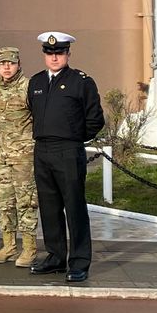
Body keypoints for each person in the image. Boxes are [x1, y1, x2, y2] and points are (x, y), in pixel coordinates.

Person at [29, 32, 104, 283]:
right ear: (44, 55)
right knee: (49, 208)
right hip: (42, 150)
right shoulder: (36, 82)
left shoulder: (81, 82)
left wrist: (74, 137)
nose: (54, 57)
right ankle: (55, 257)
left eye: (59, 53)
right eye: (50, 53)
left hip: (68, 151)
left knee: (74, 207)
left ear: (68, 54)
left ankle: (79, 262)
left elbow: (95, 119)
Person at [0, 46, 38, 267]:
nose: (7, 67)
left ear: (18, 64)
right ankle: (9, 245)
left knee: (26, 202)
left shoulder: (29, 87)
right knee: (4, 202)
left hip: (23, 157)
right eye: (2, 64)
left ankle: (29, 249)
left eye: (11, 63)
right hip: (1, 157)